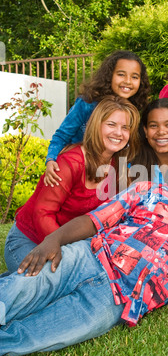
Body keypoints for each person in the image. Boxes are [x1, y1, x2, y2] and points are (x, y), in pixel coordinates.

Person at [0, 143, 168, 356]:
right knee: (27, 286)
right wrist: (54, 239)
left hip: (120, 299)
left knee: (52, 332)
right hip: (90, 256)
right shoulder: (150, 190)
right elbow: (97, 219)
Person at [4, 95, 140, 275]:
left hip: (71, 242)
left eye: (125, 128)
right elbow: (42, 212)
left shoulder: (118, 164)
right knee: (47, 283)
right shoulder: (70, 163)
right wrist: (58, 247)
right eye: (111, 124)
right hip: (30, 239)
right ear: (96, 125)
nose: (118, 133)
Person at [45, 50, 150, 187]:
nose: (128, 81)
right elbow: (62, 134)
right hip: (77, 169)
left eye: (135, 77)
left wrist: (127, 169)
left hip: (105, 174)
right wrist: (51, 159)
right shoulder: (87, 104)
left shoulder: (133, 110)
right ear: (109, 76)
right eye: (121, 74)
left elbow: (127, 146)